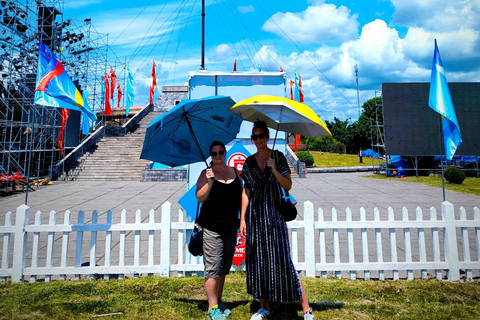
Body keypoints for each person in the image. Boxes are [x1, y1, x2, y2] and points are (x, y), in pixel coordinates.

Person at [240, 120, 315, 320]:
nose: (258, 140)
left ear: (267, 136)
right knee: (258, 261)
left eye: (261, 136)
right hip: (255, 217)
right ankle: (264, 307)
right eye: (254, 137)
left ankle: (306, 309)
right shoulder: (248, 162)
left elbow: (288, 185)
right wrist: (242, 219)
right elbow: (246, 191)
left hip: (274, 215)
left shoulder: (278, 157)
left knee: (283, 259)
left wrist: (273, 170)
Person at [196, 141, 245, 320]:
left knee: (224, 268)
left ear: (225, 153)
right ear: (211, 155)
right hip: (212, 228)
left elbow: (241, 196)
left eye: (220, 152)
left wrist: (243, 219)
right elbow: (199, 197)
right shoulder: (206, 173)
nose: (218, 156)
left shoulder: (234, 171)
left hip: (230, 227)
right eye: (214, 153)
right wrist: (209, 182)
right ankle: (212, 308)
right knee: (212, 269)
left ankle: (219, 300)